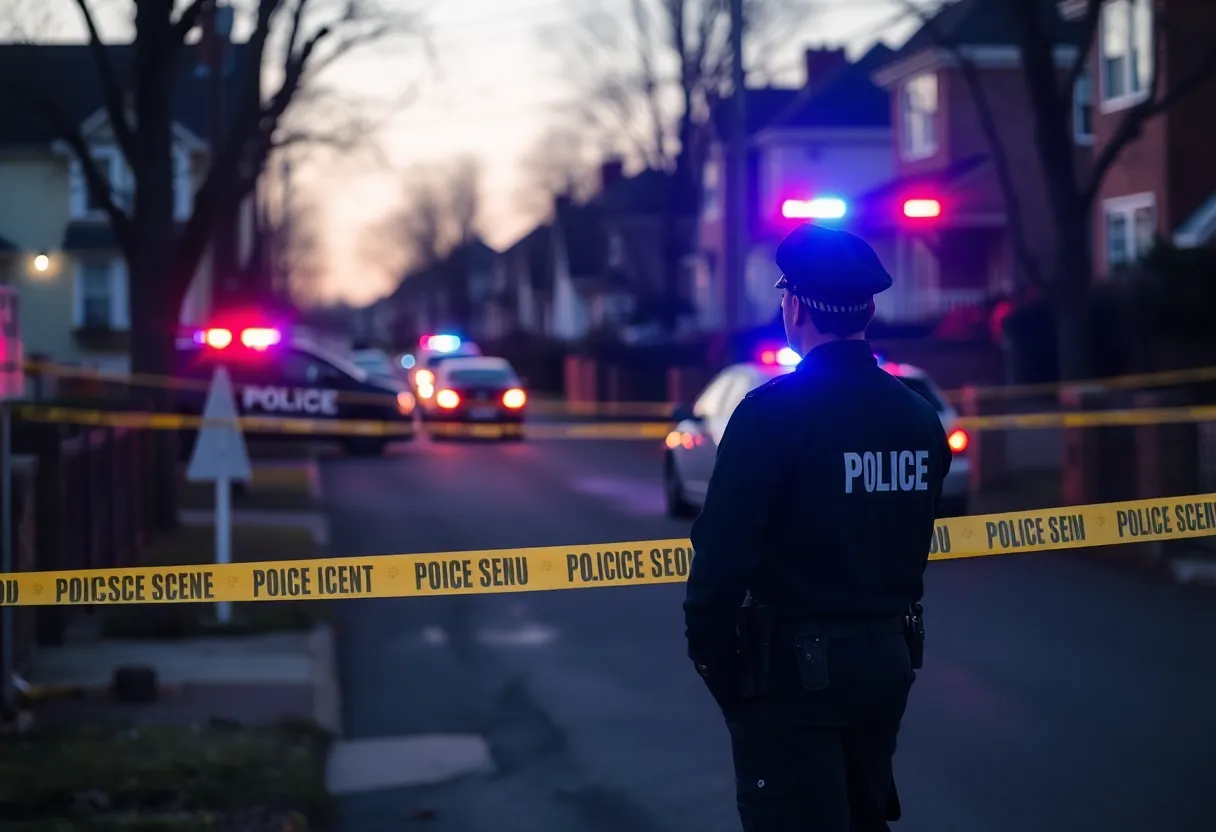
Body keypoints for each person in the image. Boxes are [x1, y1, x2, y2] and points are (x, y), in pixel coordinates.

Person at [683, 223, 952, 831]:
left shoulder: (770, 415)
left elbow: (720, 557)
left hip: (791, 676)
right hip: (885, 662)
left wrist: (720, 666)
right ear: (871, 307)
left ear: (795, 305)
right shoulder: (917, 419)